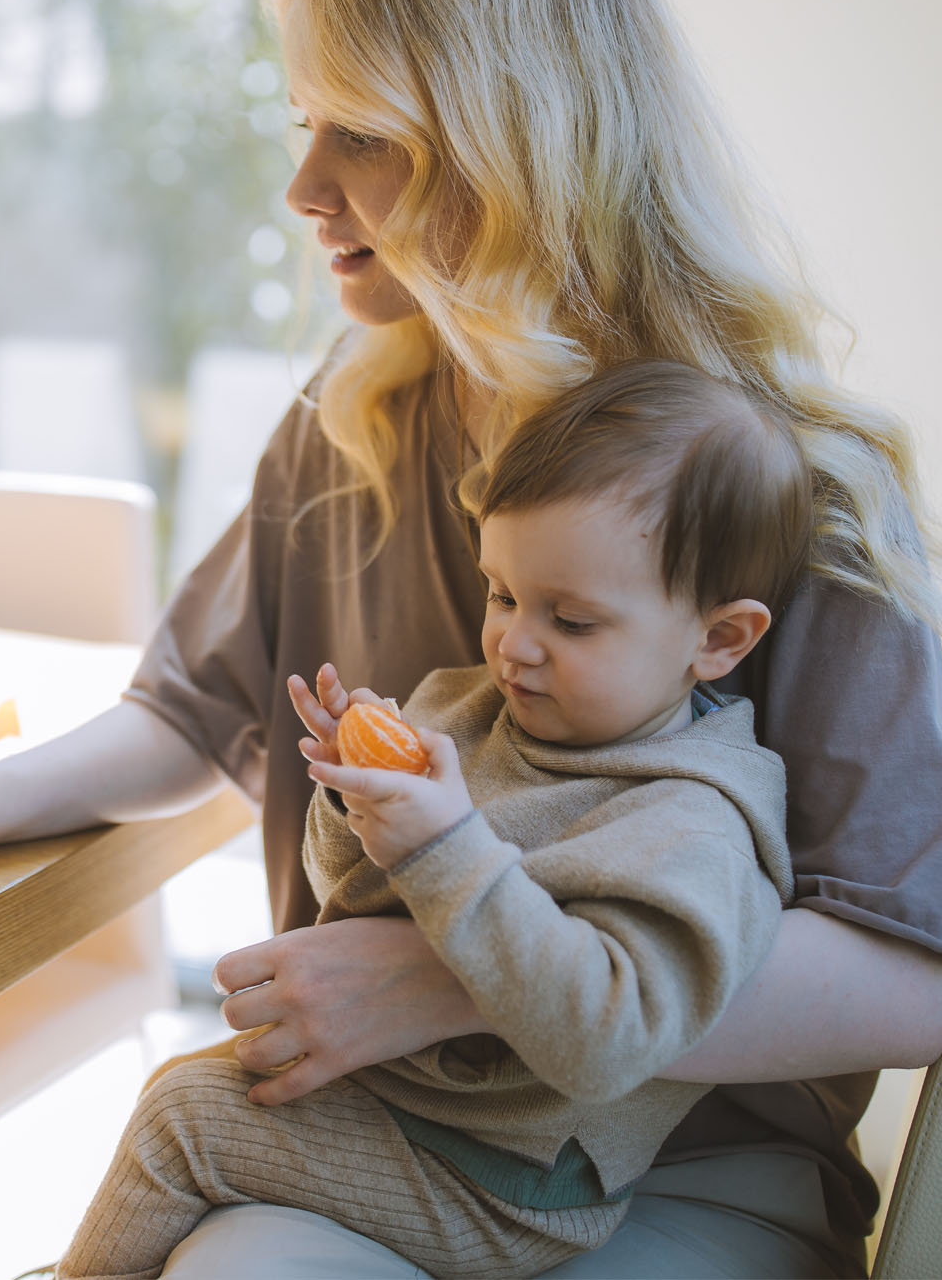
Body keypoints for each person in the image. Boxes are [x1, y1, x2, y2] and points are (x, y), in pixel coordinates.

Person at [0, 0, 942, 1277]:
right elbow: (193, 710)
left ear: (513, 144)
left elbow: (902, 983)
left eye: (363, 136)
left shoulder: (789, 489)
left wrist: (451, 978)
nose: (302, 188)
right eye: (304, 126)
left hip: (682, 1169)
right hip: (396, 1120)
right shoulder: (360, 413)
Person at [57, 359, 811, 1279]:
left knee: (184, 1122)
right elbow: (356, 896)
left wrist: (448, 847)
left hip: (507, 1181)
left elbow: (610, 1038)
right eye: (502, 594)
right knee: (191, 1092)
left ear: (720, 638)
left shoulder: (694, 817)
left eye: (571, 621)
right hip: (407, 1106)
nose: (513, 644)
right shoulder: (472, 709)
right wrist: (356, 798)